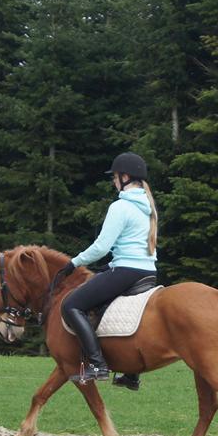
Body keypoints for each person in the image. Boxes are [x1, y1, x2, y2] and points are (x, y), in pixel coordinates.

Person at [58, 152, 158, 387]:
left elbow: (102, 247)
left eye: (114, 177)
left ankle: (97, 365)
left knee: (71, 305)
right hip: (149, 272)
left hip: (126, 271)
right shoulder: (149, 207)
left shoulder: (121, 207)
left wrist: (74, 262)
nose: (113, 182)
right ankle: (131, 372)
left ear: (125, 177)